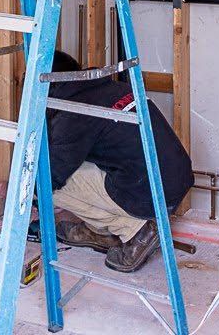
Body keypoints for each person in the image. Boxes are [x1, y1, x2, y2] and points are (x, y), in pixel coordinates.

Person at [44, 50, 193, 272]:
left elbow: (52, 174)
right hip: (176, 183)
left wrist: (21, 192)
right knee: (75, 164)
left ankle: (135, 229)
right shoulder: (116, 88)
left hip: (148, 196)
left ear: (50, 86)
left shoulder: (74, 113)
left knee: (46, 183)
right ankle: (101, 231)